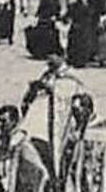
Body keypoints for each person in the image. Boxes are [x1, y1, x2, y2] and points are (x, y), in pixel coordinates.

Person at [22, 46, 86, 176]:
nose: (48, 60)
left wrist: (52, 89)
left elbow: (72, 97)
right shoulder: (47, 75)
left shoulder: (72, 78)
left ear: (61, 56)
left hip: (64, 123)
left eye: (52, 56)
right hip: (46, 124)